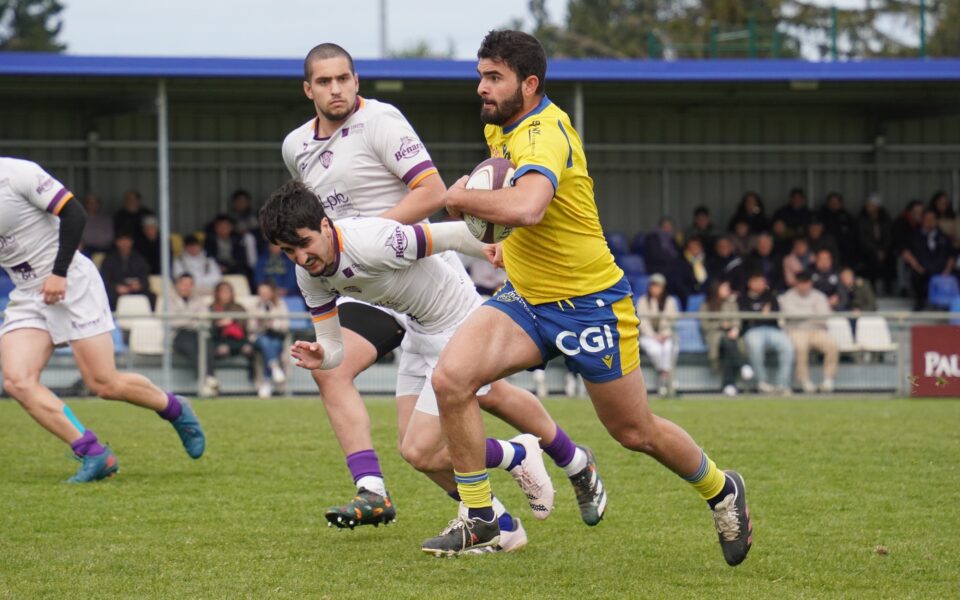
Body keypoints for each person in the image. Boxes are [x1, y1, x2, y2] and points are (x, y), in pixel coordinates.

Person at [424, 31, 752, 565]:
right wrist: (503, 241)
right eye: (481, 76)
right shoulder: (499, 126)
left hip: (590, 305)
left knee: (634, 431)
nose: (482, 87)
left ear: (529, 84)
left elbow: (528, 206)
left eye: (495, 78)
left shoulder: (545, 133)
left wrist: (461, 196)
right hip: (527, 300)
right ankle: (480, 516)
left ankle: (721, 489)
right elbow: (523, 211)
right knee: (451, 380)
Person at [280, 43, 589, 530]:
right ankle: (379, 491)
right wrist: (347, 255)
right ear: (308, 89)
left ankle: (568, 458)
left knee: (483, 397)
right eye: (324, 81)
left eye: (343, 78)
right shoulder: (295, 147)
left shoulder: (381, 122)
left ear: (356, 81)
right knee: (340, 378)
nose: (335, 89)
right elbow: (309, 223)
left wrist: (369, 238)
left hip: (411, 267)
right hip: (367, 282)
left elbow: (432, 192)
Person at [260, 181, 604, 548]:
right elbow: (332, 345)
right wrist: (323, 356)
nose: (300, 257)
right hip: (418, 329)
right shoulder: (308, 274)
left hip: (459, 323)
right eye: (289, 251)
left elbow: (454, 235)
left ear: (325, 226)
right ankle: (505, 527)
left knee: (430, 444)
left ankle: (518, 458)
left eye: (305, 244)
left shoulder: (373, 241)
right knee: (418, 454)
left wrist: (505, 252)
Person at [0, 157, 204, 482]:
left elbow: (74, 213)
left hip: (71, 281)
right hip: (28, 293)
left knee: (103, 384)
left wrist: (58, 272)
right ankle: (94, 454)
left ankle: (174, 408)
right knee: (17, 381)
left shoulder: (16, 174)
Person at [779, 271, 838, 393]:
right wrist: (812, 314)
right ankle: (805, 381)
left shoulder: (819, 296)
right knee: (800, 347)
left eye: (806, 283)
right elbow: (790, 314)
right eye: (801, 283)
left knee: (832, 345)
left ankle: (828, 380)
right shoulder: (788, 296)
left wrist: (803, 315)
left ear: (810, 283)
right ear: (796, 283)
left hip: (817, 330)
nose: (803, 286)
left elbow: (823, 316)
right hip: (797, 330)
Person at [738, 272, 794, 395]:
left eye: (762, 281)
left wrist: (760, 316)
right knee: (755, 346)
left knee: (787, 345)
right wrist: (761, 315)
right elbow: (745, 319)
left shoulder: (771, 296)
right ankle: (762, 383)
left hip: (772, 329)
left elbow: (775, 315)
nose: (760, 284)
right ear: (750, 283)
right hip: (752, 331)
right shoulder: (742, 298)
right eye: (757, 281)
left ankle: (782, 384)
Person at [167, 273, 219, 396]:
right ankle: (207, 378)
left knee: (207, 345)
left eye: (189, 284)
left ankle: (208, 379)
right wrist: (192, 319)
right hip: (178, 335)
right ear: (177, 285)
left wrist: (185, 319)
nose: (186, 287)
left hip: (197, 333)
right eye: (183, 284)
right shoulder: (168, 301)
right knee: (191, 347)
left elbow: (205, 320)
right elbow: (172, 322)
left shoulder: (199, 300)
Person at [700, 280, 753, 396]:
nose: (728, 291)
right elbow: (705, 325)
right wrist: (720, 325)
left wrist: (735, 329)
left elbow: (737, 320)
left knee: (729, 348)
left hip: (731, 335)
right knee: (726, 341)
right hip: (714, 335)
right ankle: (743, 365)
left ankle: (728, 385)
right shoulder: (706, 304)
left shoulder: (732, 303)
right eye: (725, 288)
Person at [635, 273, 679, 396]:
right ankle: (667, 377)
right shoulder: (643, 301)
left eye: (658, 286)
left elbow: (671, 321)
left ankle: (663, 378)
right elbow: (642, 323)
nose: (655, 288)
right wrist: (654, 336)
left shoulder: (670, 301)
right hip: (648, 336)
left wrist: (664, 334)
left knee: (671, 348)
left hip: (666, 335)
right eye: (653, 285)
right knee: (656, 350)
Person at [902, 208, 955, 309]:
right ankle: (920, 303)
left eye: (932, 219)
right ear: (922, 220)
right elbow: (906, 252)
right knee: (916, 276)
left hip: (941, 270)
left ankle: (946, 305)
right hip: (922, 269)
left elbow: (951, 254)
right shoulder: (914, 235)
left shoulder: (943, 236)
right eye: (927, 219)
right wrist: (917, 267)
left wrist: (947, 270)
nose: (930, 222)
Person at [248, 281, 290, 398]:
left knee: (273, 344)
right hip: (258, 337)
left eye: (266, 292)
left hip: (276, 336)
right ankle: (274, 367)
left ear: (272, 293)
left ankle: (266, 382)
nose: (264, 295)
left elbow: (285, 325)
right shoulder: (254, 305)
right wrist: (260, 323)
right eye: (261, 293)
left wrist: (273, 324)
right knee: (265, 341)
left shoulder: (280, 304)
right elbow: (250, 326)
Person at [209, 281, 256, 382]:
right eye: (223, 292)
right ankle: (212, 378)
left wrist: (232, 321)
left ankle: (253, 380)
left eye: (228, 292)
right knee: (220, 350)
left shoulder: (239, 307)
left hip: (239, 340)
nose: (225, 295)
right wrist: (219, 324)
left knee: (249, 349)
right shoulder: (212, 308)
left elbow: (244, 326)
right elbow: (210, 328)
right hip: (220, 339)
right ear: (217, 293)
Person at [99, 229, 154, 310]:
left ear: (131, 242)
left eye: (127, 240)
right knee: (108, 296)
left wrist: (139, 285)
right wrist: (116, 288)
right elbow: (104, 280)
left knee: (151, 297)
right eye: (122, 240)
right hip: (116, 292)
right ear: (117, 242)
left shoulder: (139, 259)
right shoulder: (109, 259)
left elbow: (145, 280)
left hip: (136, 291)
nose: (124, 243)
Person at [857, 193, 892, 293]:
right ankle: (872, 289)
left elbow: (889, 236)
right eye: (868, 205)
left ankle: (888, 288)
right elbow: (863, 238)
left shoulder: (885, 218)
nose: (869, 207)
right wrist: (876, 251)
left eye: (872, 205)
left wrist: (884, 250)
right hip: (868, 250)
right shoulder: (862, 219)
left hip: (884, 250)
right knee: (870, 261)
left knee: (890, 260)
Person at [205, 214, 255, 285]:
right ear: (216, 228)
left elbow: (241, 259)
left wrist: (228, 268)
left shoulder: (238, 240)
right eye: (221, 226)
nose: (223, 229)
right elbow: (209, 257)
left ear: (231, 227)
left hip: (233, 267)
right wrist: (218, 266)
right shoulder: (210, 240)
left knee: (245, 273)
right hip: (216, 267)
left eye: (226, 226)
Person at [818, 192, 857, 268]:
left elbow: (853, 235)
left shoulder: (847, 217)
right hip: (827, 248)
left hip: (844, 249)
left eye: (836, 202)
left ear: (841, 203)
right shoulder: (822, 216)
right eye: (831, 202)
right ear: (828, 203)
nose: (834, 204)